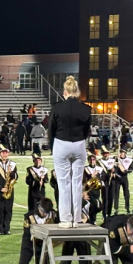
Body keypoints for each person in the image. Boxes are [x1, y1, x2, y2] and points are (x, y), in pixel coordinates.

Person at [49, 76, 91, 228]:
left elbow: (51, 129)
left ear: (65, 92)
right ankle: (77, 219)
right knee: (77, 182)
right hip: (79, 144)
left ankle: (66, 219)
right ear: (77, 92)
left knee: (63, 183)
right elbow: (87, 131)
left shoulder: (57, 107)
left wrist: (51, 144)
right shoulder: (86, 109)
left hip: (62, 143)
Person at [12, 198, 56, 264]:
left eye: (47, 213)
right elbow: (27, 232)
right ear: (39, 208)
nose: (45, 215)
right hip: (29, 244)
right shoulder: (29, 216)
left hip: (43, 245)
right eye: (44, 212)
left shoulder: (53, 214)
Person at [0, 144, 18, 234]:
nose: (5, 154)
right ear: (0, 154)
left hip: (9, 190)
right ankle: (0, 228)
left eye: (6, 152)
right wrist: (0, 188)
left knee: (8, 209)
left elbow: (16, 177)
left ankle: (7, 228)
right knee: (0, 210)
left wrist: (12, 173)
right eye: (3, 153)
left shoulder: (12, 164)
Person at [25, 144, 48, 212]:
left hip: (41, 192)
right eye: (36, 160)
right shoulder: (30, 169)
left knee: (42, 209)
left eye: (39, 160)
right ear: (34, 161)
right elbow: (27, 181)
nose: (38, 162)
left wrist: (43, 179)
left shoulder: (44, 169)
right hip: (33, 192)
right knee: (33, 209)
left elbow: (47, 180)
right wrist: (36, 181)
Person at [112, 148, 133, 214]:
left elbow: (131, 168)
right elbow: (113, 167)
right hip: (117, 178)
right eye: (120, 152)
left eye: (123, 152)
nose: (121, 154)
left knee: (126, 193)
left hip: (124, 178)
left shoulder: (128, 160)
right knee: (116, 194)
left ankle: (127, 208)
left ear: (125, 153)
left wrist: (126, 171)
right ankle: (116, 209)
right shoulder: (116, 159)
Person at [98, 146, 115, 218]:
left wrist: (113, 173)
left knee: (111, 198)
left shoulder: (113, 161)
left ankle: (109, 213)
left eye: (107, 153)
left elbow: (116, 170)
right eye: (104, 153)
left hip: (112, 182)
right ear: (102, 154)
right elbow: (99, 173)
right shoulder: (99, 162)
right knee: (105, 198)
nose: (106, 155)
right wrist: (108, 175)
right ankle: (104, 214)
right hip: (104, 182)